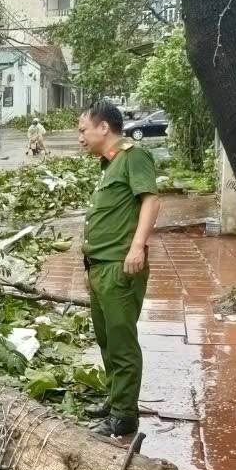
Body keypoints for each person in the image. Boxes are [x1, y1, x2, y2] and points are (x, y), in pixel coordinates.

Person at [79, 98, 160, 439]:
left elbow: (151, 200)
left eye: (83, 130)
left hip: (119, 267)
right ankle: (115, 399)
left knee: (122, 343)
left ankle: (124, 417)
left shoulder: (133, 156)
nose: (80, 137)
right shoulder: (109, 165)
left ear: (103, 127)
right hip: (101, 268)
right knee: (107, 340)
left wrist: (137, 246)